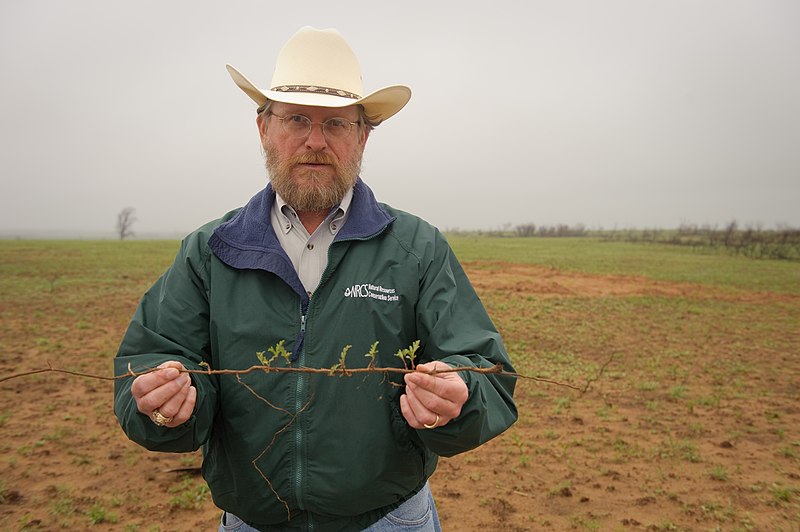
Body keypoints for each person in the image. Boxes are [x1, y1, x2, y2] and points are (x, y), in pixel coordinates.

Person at [113, 26, 517, 531]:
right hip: (251, 522)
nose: (315, 141)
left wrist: (459, 397)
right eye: (297, 118)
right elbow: (149, 360)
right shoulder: (210, 251)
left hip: (388, 520)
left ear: (362, 137)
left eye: (338, 124)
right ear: (264, 129)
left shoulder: (417, 249)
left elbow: (490, 377)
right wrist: (165, 403)